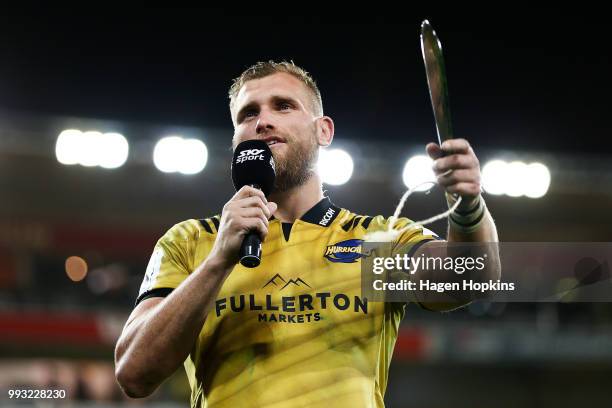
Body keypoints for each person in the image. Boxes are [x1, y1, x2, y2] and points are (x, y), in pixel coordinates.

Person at [114, 61, 500, 407]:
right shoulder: (190, 241)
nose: (263, 121)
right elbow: (134, 374)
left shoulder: (375, 240)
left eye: (283, 106)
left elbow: (472, 279)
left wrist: (468, 208)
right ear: (236, 141)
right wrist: (217, 262)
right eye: (248, 114)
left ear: (323, 131)